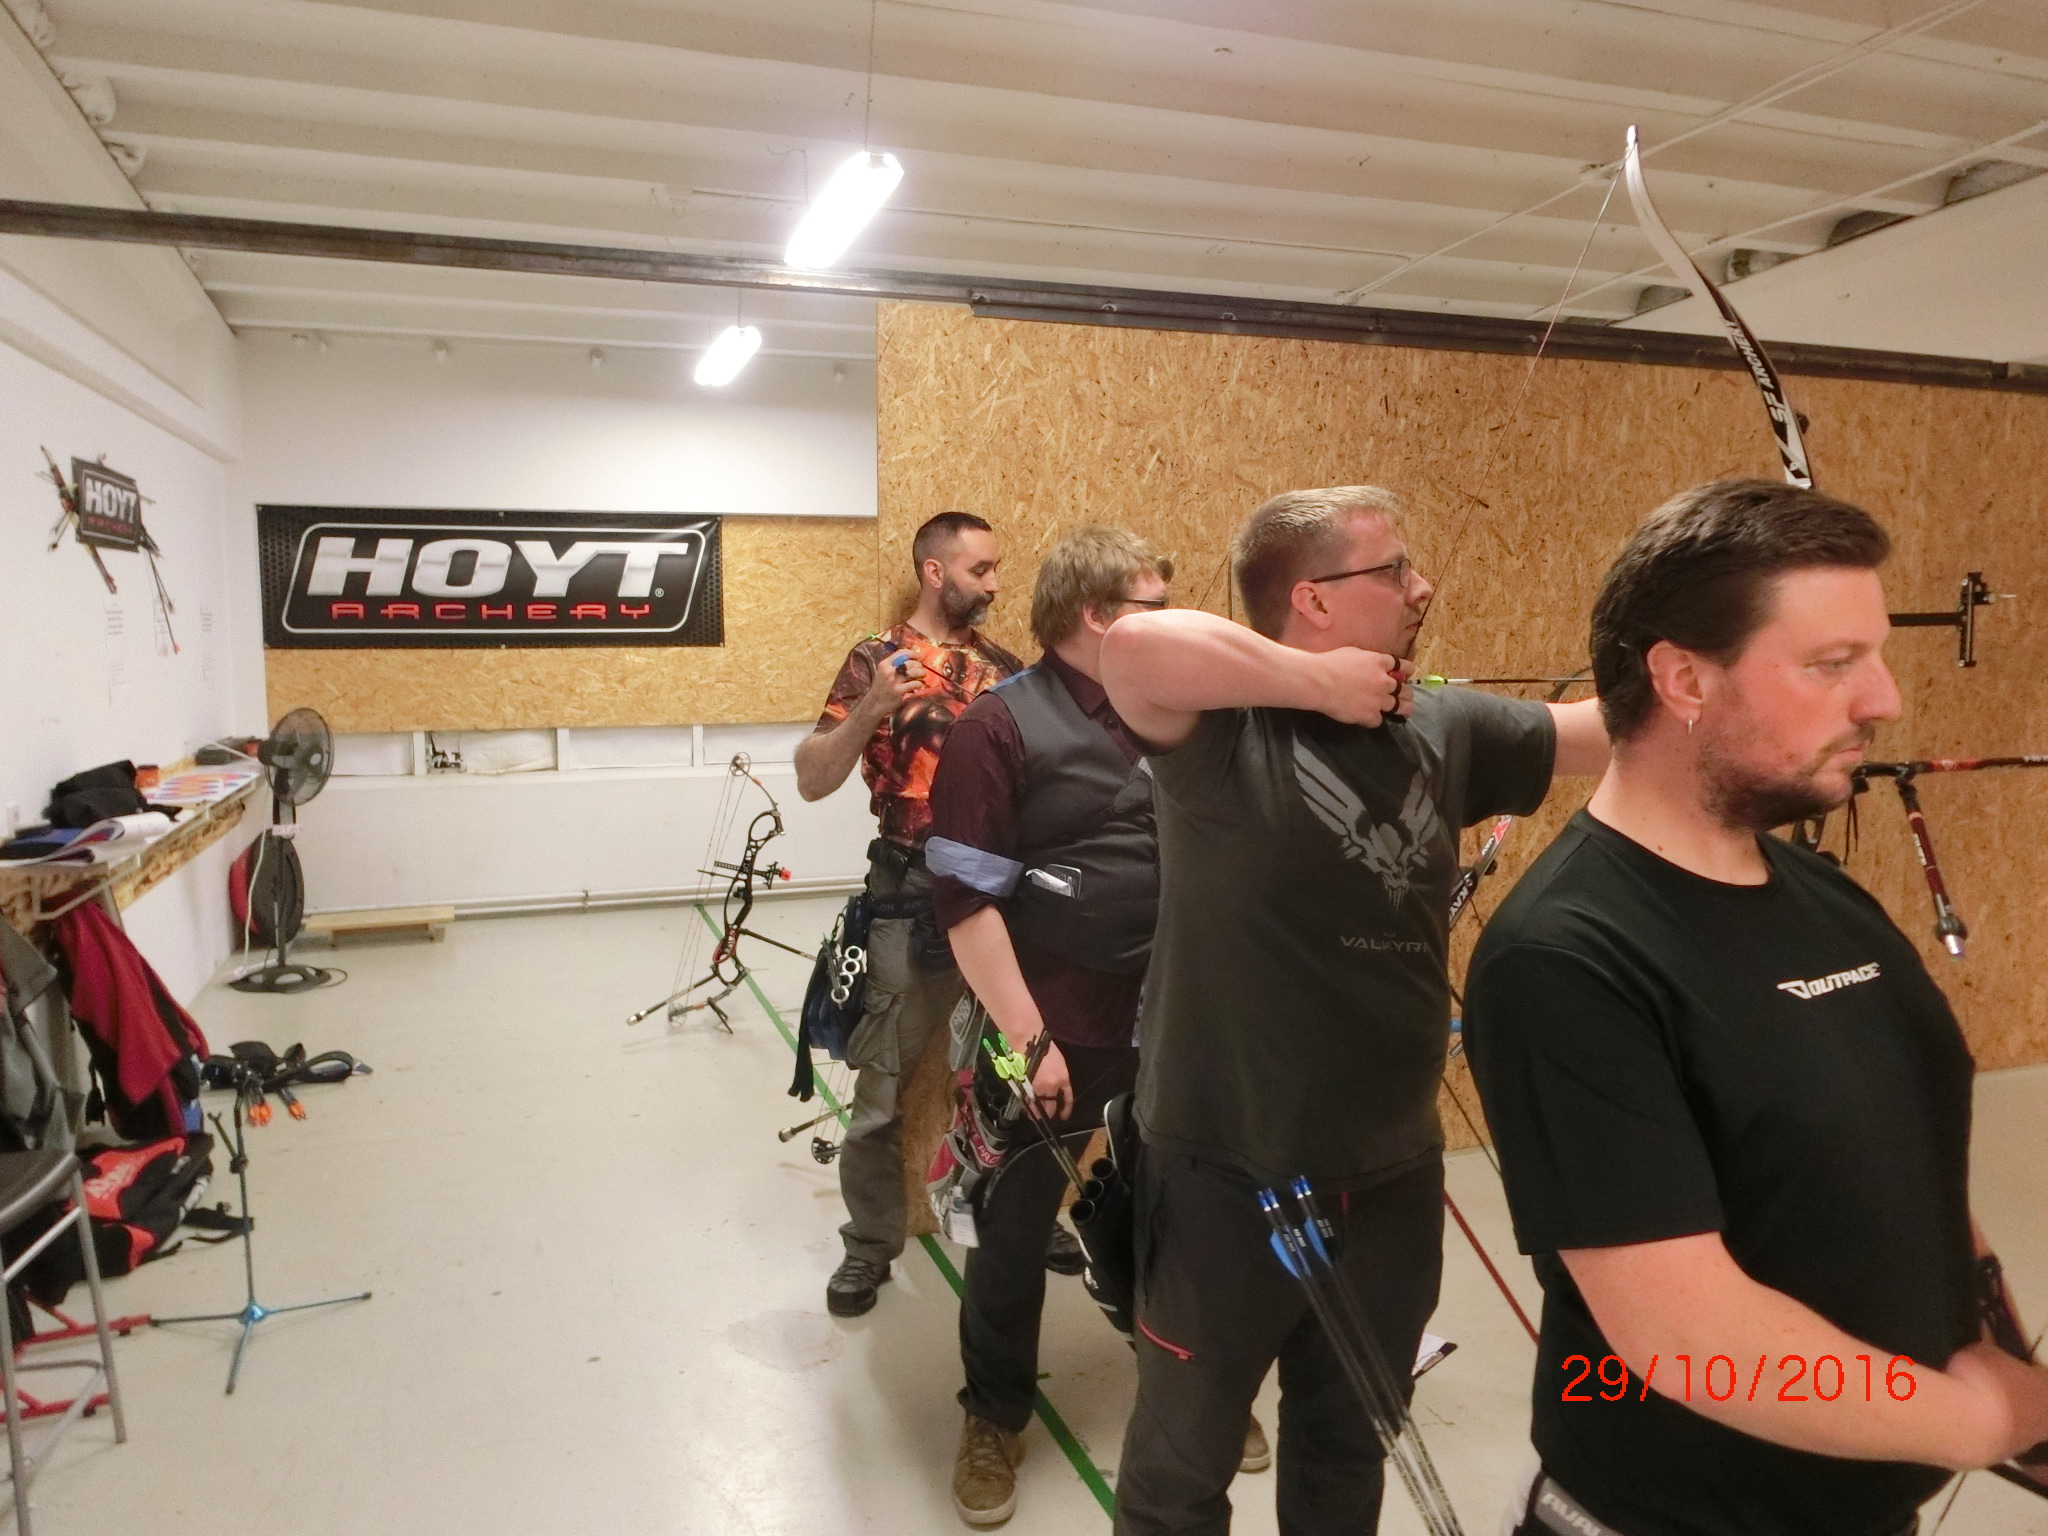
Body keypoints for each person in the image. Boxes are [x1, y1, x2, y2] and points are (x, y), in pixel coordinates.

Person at [1462, 478, 2048, 1536]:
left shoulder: (1821, 894)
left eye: (1873, 657)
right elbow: (1692, 1342)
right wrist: (1979, 1419)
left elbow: (1907, 1166)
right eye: (1831, 663)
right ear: (1684, 678)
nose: (1882, 700)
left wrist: (1990, 1342)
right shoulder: (1565, 959)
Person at [1098, 486, 1611, 1536]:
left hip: (1388, 1177)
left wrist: (1720, 671)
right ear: (1313, 599)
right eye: (1394, 570)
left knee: (1346, 1448)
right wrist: (1313, 684)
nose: (1422, 588)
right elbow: (1131, 648)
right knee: (1177, 1475)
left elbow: (1592, 735)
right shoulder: (1219, 733)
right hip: (1222, 1173)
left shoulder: (1436, 721)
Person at [927, 526, 1231, 1527]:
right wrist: (1026, 1039)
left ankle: (1183, 1390)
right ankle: (993, 1413)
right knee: (1013, 1226)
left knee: (1172, 1214)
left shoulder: (1179, 713)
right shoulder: (997, 727)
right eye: (1154, 606)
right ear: (1097, 616)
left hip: (1172, 1017)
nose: (1175, 623)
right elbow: (966, 903)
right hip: (1052, 1023)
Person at [797, 510, 1026, 1318]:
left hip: (1001, 894)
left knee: (1016, 1072)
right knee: (881, 1092)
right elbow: (812, 777)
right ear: (936, 571)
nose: (994, 583)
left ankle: (1024, 1220)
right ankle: (869, 1246)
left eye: (995, 568)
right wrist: (871, 709)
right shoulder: (877, 659)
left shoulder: (1005, 669)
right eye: (980, 569)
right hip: (912, 894)